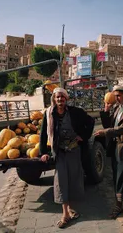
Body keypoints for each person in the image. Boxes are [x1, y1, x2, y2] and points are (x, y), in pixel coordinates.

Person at [39, 87, 94, 228]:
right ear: (54, 99)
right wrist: (43, 152)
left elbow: (90, 121)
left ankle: (70, 209)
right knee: (61, 180)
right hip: (60, 151)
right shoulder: (49, 114)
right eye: (57, 97)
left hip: (74, 150)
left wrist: (83, 136)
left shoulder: (75, 112)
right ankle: (65, 214)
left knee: (74, 179)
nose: (60, 100)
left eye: (62, 97)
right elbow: (43, 134)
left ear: (66, 99)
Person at [94, 84, 123, 220]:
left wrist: (105, 132)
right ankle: (119, 204)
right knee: (118, 177)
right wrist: (106, 109)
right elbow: (108, 125)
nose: (117, 98)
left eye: (119, 95)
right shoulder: (116, 108)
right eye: (115, 96)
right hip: (117, 148)